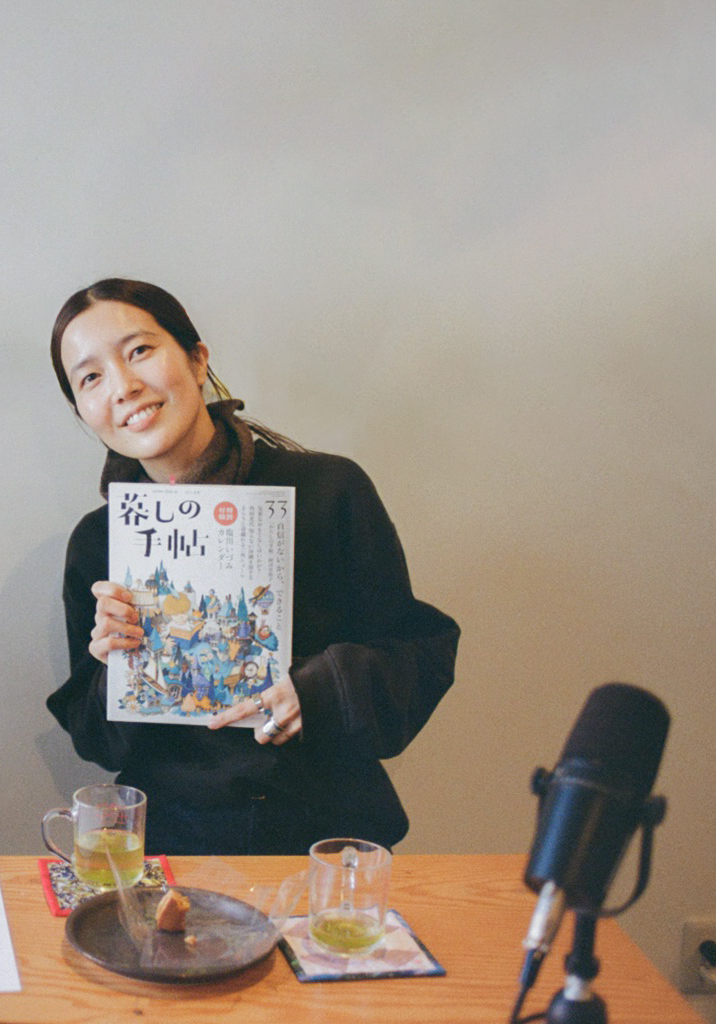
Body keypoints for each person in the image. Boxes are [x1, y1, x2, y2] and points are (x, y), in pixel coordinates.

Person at [47, 279, 458, 855]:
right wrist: (114, 664)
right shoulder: (99, 542)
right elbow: (99, 745)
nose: (123, 386)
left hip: (329, 842)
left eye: (139, 351)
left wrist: (317, 692)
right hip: (172, 846)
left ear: (197, 359)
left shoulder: (328, 491)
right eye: (90, 378)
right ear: (82, 411)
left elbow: (416, 656)